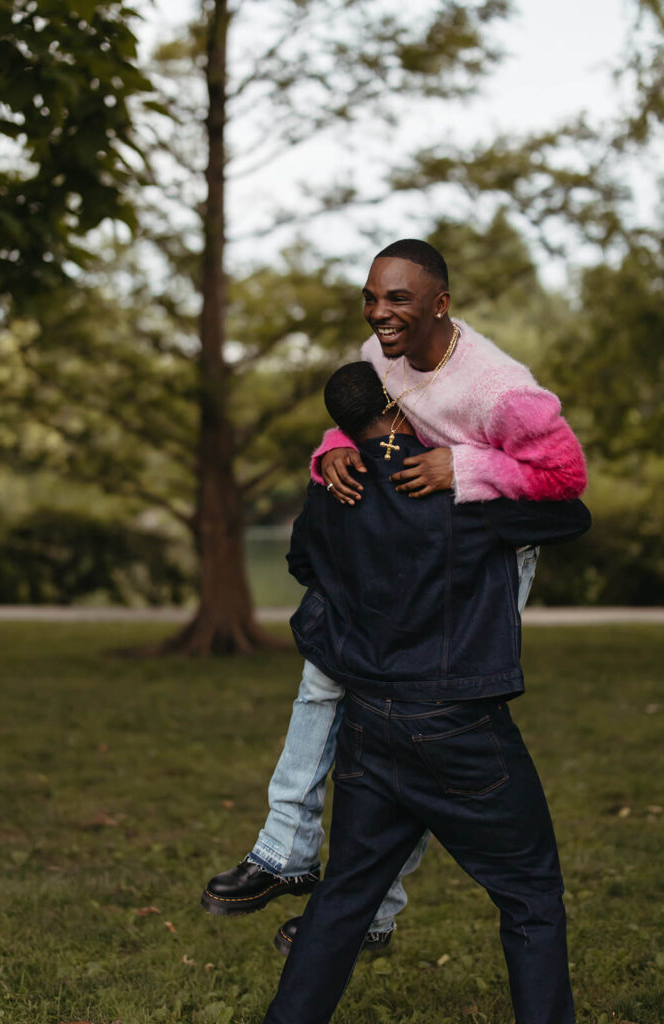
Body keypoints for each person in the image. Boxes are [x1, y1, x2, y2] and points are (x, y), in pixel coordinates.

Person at [201, 239, 587, 944]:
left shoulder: (499, 388)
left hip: (482, 560)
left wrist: (464, 468)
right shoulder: (377, 350)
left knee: (420, 724)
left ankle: (373, 915)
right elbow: (369, 422)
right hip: (406, 547)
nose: (380, 313)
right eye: (371, 297)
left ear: (440, 303)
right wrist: (333, 450)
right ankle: (283, 851)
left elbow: (563, 479)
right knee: (324, 682)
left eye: (398, 299)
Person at [261, 360, 590, 1024]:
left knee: (346, 895)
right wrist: (471, 465)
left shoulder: (333, 490)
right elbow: (570, 515)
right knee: (529, 894)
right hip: (455, 723)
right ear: (398, 399)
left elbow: (303, 563)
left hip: (368, 719)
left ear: (341, 428)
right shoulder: (450, 484)